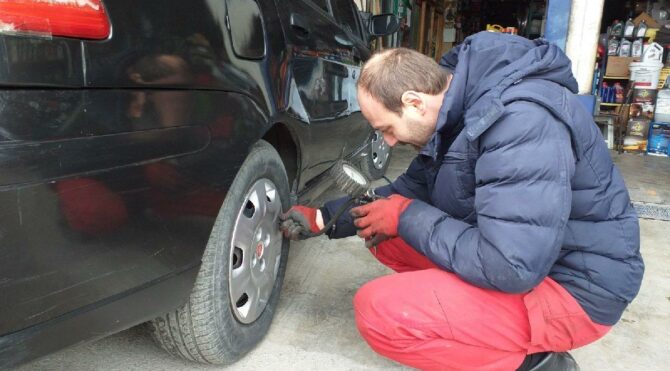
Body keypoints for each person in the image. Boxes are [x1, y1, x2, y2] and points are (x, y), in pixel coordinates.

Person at [280, 32, 644, 370]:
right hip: (534, 260)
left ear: (414, 102)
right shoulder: (457, 110)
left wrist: (406, 216)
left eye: (387, 129)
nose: (388, 143)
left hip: (575, 290)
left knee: (380, 313)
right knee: (381, 230)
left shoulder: (521, 123)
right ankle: (472, 314)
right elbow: (409, 190)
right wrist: (323, 218)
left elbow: (512, 266)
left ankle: (538, 363)